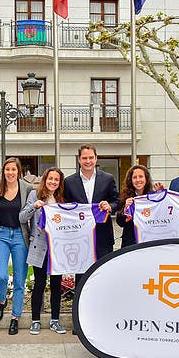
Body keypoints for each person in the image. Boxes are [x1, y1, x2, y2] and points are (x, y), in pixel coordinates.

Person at [64, 144, 119, 335]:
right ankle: (79, 321)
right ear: (79, 159)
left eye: (91, 158)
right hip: (79, 238)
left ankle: (103, 319)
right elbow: (65, 207)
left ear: (96, 159)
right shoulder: (69, 181)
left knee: (103, 276)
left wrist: (109, 206)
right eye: (84, 158)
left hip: (103, 236)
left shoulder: (108, 179)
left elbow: (116, 201)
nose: (88, 161)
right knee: (81, 278)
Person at [19, 167, 67, 335]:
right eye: (50, 178)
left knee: (56, 284)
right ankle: (35, 320)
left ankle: (55, 320)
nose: (53, 182)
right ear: (45, 179)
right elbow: (22, 217)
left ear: (60, 182)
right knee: (39, 284)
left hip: (57, 247)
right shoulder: (35, 195)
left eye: (56, 179)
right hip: (39, 245)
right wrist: (34, 206)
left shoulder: (62, 198)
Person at [0, 157, 32, 335]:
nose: (10, 173)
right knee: (0, 275)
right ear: (3, 171)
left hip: (20, 236)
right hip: (1, 235)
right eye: (7, 170)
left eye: (13, 170)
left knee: (20, 279)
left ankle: (15, 317)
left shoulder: (27, 189)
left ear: (18, 171)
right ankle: (1, 301)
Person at [116, 164, 162, 248]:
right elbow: (120, 223)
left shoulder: (153, 197)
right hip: (130, 244)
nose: (138, 180)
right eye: (134, 177)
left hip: (149, 242)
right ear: (130, 180)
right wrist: (125, 209)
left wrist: (160, 195)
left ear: (146, 179)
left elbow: (160, 216)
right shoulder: (125, 197)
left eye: (141, 176)